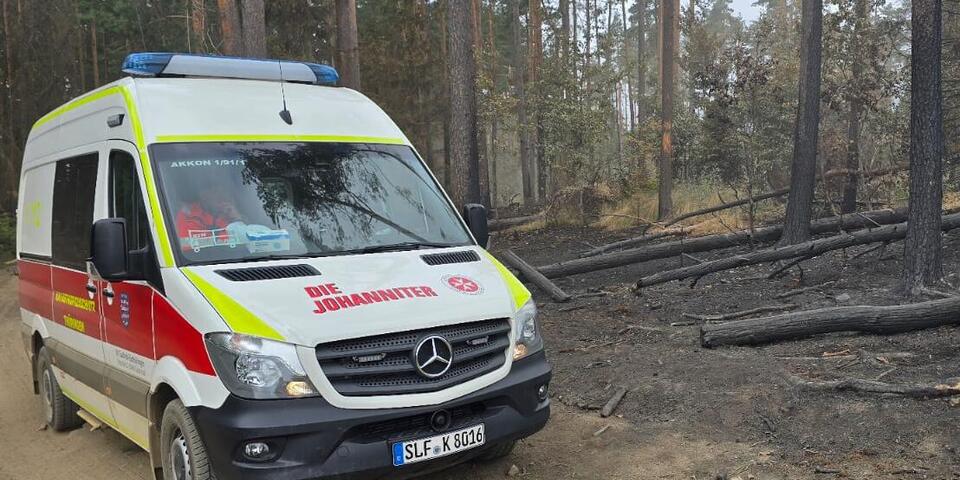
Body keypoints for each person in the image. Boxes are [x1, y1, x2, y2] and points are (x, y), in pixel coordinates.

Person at [176, 184, 242, 251]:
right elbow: (187, 245)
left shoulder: (230, 213)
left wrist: (237, 220)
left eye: (222, 191)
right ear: (202, 194)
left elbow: (246, 242)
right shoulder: (188, 215)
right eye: (214, 191)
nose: (220, 195)